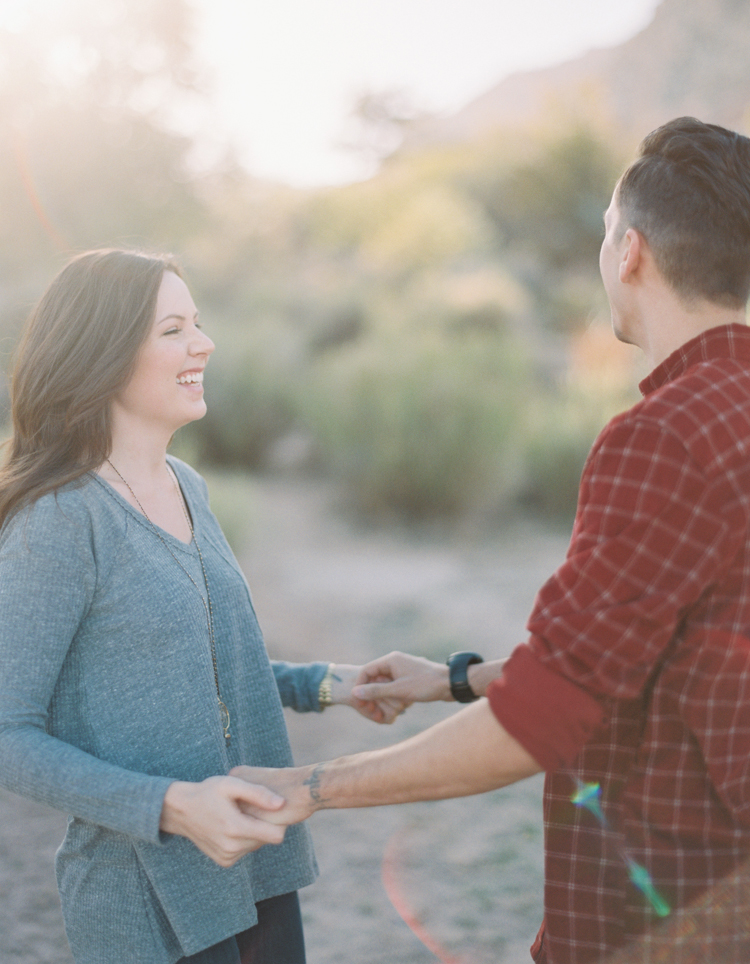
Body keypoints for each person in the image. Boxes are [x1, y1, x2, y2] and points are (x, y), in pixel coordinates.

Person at [231, 117, 750, 963]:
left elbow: (544, 719)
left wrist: (310, 788)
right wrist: (451, 680)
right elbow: (634, 654)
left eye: (605, 235)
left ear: (631, 253)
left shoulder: (662, 437)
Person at [0, 248, 402, 964]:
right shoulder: (59, 520)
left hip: (257, 865)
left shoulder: (187, 484)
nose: (204, 343)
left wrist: (328, 684)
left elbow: (193, 666)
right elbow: (9, 732)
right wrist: (173, 807)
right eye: (173, 329)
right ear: (104, 353)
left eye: (200, 323)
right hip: (145, 900)